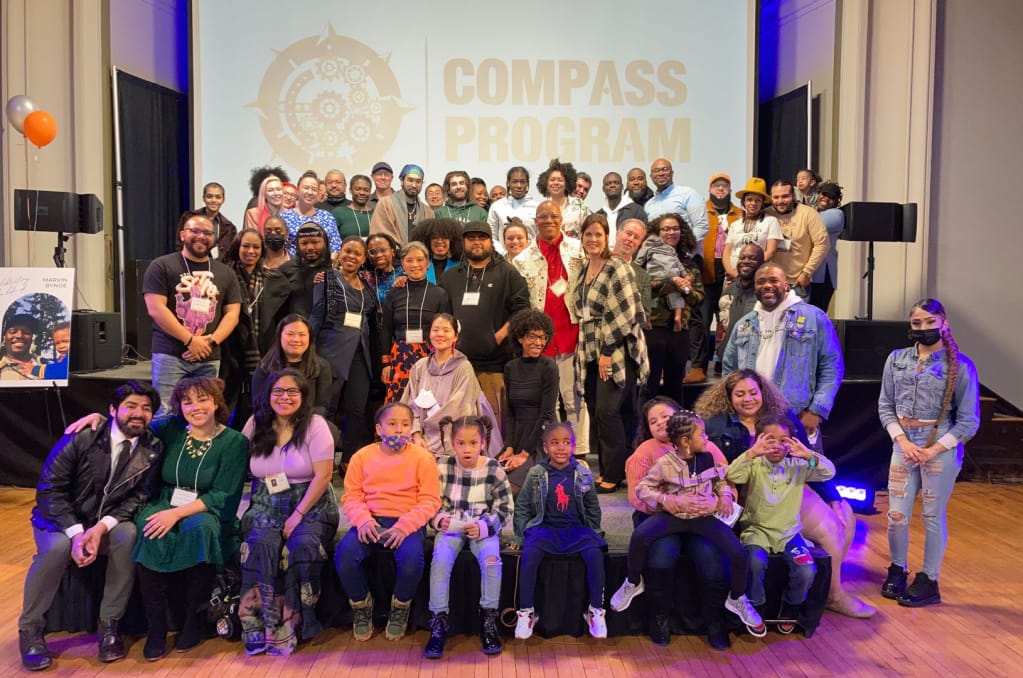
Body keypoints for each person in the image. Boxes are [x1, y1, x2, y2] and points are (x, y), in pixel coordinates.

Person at [695, 368, 875, 618]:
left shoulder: (784, 418)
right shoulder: (715, 424)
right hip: (744, 491)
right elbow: (718, 468)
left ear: (762, 392)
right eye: (740, 394)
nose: (747, 399)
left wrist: (833, 498)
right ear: (729, 396)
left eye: (753, 392)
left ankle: (833, 593)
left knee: (842, 519)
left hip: (786, 485)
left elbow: (808, 459)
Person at [18, 382, 163, 671]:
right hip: (59, 520)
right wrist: (77, 533)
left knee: (129, 534)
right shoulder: (82, 438)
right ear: (112, 410)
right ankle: (30, 630)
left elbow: (138, 497)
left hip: (106, 523)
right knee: (57, 549)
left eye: (146, 409)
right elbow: (49, 490)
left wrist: (99, 529)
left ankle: (109, 625)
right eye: (131, 406)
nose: (139, 414)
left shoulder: (153, 447)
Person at [611, 411, 766, 639]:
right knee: (640, 537)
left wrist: (723, 497)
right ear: (685, 442)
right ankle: (633, 581)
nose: (706, 439)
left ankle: (737, 598)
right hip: (674, 516)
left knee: (737, 553)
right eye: (701, 435)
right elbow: (643, 489)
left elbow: (721, 480)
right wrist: (668, 500)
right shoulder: (665, 463)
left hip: (702, 519)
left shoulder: (707, 457)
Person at [131, 376, 249, 659]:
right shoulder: (171, 429)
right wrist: (98, 417)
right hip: (165, 500)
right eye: (187, 402)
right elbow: (134, 422)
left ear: (216, 402)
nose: (195, 407)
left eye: (202, 399)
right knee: (151, 528)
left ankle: (193, 621)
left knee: (201, 529)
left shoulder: (234, 442)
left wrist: (178, 514)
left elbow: (223, 494)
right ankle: (157, 627)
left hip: (206, 508)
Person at [878, 299, 980, 607]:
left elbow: (968, 420)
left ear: (943, 323)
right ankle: (897, 569)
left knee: (932, 515)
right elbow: (885, 406)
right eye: (916, 323)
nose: (923, 328)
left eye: (929, 322)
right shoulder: (896, 359)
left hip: (940, 448)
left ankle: (929, 579)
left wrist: (933, 449)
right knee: (896, 515)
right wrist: (903, 442)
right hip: (903, 445)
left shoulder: (961, 366)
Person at [239, 369, 338, 656]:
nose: (285, 397)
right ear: (268, 396)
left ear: (303, 396)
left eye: (292, 391)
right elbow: (235, 454)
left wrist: (296, 516)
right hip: (266, 500)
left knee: (303, 546)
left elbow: (323, 476)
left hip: (310, 501)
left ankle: (295, 623)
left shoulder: (315, 425)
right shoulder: (256, 423)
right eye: (278, 391)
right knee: (260, 545)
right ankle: (257, 623)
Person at [622, 397, 733, 648]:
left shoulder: (706, 446)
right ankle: (658, 617)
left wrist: (717, 501)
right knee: (662, 559)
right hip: (660, 519)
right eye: (653, 420)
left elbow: (727, 482)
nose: (661, 422)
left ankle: (715, 621)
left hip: (701, 518)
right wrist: (668, 502)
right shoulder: (646, 452)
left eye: (666, 416)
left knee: (712, 561)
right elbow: (636, 496)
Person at [334, 402, 441, 642]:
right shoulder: (362, 457)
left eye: (405, 425)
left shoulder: (423, 458)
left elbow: (430, 500)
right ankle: (361, 605)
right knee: (345, 555)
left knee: (412, 560)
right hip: (370, 520)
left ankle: (400, 607)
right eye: (392, 424)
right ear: (379, 429)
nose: (399, 430)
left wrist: (405, 526)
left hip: (407, 522)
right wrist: (362, 521)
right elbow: (351, 496)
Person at [727, 414, 836, 634]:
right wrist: (752, 452)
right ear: (759, 440)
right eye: (769, 439)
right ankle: (756, 607)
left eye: (783, 440)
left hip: (789, 534)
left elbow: (827, 471)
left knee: (806, 569)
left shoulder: (799, 465)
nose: (776, 445)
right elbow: (733, 474)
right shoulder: (754, 463)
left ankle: (790, 607)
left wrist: (809, 454)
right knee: (756, 563)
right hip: (756, 531)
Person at [723, 263, 843, 448]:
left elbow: (832, 366)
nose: (767, 285)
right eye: (761, 281)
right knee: (754, 475)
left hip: (797, 415)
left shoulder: (814, 318)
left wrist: (817, 410)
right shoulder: (744, 324)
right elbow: (729, 371)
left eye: (773, 280)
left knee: (806, 473)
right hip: (753, 419)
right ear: (754, 287)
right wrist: (736, 410)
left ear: (786, 285)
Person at [424, 416, 513, 659]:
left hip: (480, 526)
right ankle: (438, 621)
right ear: (453, 443)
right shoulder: (442, 466)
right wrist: (437, 519)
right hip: (451, 526)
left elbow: (505, 507)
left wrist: (485, 527)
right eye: (461, 443)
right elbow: (430, 500)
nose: (467, 449)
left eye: (473, 443)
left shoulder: (493, 468)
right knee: (440, 561)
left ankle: (488, 619)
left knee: (492, 561)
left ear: (482, 443)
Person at [573, 213, 649, 492]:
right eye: (588, 234)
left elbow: (626, 312)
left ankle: (614, 473)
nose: (592, 239)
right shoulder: (584, 270)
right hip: (589, 350)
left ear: (607, 237)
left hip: (616, 350)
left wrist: (607, 350)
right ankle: (610, 469)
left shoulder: (617, 266)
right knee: (596, 409)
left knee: (608, 411)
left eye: (598, 234)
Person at [512, 422, 608, 640]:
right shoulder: (536, 473)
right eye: (555, 443)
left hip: (576, 530)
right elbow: (523, 505)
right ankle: (526, 611)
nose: (561, 448)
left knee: (595, 555)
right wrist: (519, 535)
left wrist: (594, 531)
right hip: (544, 529)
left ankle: (595, 610)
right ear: (546, 448)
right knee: (529, 556)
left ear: (573, 446)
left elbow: (592, 506)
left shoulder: (582, 473)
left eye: (567, 443)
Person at [512, 200, 589, 463]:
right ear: (535, 221)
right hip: (540, 339)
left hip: (572, 332)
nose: (548, 220)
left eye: (553, 216)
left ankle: (579, 451)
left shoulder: (579, 251)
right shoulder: (522, 259)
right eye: (542, 216)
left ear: (561, 219)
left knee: (574, 396)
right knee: (548, 400)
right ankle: (552, 451)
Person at [143, 215, 242, 414]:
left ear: (213, 239)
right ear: (182, 234)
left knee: (205, 413)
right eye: (195, 231)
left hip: (208, 356)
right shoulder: (161, 265)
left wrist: (211, 343)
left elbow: (232, 314)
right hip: (171, 354)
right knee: (164, 412)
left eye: (207, 233)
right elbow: (156, 308)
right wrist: (190, 340)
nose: (201, 236)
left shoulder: (225, 273)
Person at [439, 221, 530, 434]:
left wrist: (499, 336)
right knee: (460, 421)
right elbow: (443, 315)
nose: (477, 242)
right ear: (463, 242)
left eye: (482, 238)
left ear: (491, 241)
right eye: (471, 238)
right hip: (458, 364)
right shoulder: (450, 276)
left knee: (493, 422)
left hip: (495, 363)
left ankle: (495, 463)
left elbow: (522, 310)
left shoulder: (508, 273)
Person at [311, 236, 378, 460]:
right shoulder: (327, 279)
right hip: (331, 350)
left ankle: (349, 460)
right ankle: (323, 459)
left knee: (357, 409)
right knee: (327, 408)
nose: (351, 256)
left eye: (357, 254)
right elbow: (316, 315)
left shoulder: (366, 284)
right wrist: (310, 351)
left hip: (361, 352)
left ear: (363, 259)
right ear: (339, 253)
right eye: (347, 251)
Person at [401, 314, 502, 458]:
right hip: (419, 443)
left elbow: (460, 410)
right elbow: (410, 406)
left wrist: (431, 442)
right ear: (429, 334)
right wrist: (416, 435)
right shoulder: (420, 367)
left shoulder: (463, 367)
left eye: (446, 330)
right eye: (435, 330)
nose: (440, 334)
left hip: (453, 444)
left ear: (455, 337)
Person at [221, 228, 291, 428]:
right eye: (246, 246)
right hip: (229, 349)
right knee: (227, 401)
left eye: (256, 247)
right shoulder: (224, 275)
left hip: (262, 350)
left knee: (258, 403)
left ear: (263, 249)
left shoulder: (274, 280)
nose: (250, 251)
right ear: (237, 247)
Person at [641, 213, 703, 407]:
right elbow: (642, 289)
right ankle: (644, 432)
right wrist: (671, 283)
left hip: (679, 331)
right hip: (652, 328)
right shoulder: (645, 259)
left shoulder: (690, 264)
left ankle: (677, 430)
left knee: (675, 386)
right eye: (665, 229)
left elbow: (698, 298)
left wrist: (685, 289)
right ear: (656, 233)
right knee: (649, 385)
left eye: (675, 228)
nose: (671, 232)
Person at [380, 241, 452, 402]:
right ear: (403, 265)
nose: (415, 265)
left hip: (430, 356)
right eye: (409, 260)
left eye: (420, 260)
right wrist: (386, 363)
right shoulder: (394, 292)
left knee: (428, 404)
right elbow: (385, 329)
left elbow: (446, 329)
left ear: (427, 264)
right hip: (399, 357)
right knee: (399, 404)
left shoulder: (440, 294)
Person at [499, 309, 559, 491]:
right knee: (490, 479)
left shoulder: (549, 367)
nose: (539, 342)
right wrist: (509, 446)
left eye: (543, 337)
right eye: (533, 337)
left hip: (541, 440)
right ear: (520, 338)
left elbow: (547, 416)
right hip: (518, 439)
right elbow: (510, 413)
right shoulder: (511, 367)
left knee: (511, 488)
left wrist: (524, 454)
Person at [695, 173, 743, 380]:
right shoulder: (699, 211)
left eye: (725, 186)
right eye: (717, 186)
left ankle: (725, 364)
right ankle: (699, 366)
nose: (721, 189)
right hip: (705, 272)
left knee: (728, 321)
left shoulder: (739, 213)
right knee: (703, 323)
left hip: (730, 273)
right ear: (709, 189)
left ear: (730, 190)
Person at [253, 315, 332, 416]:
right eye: (290, 334)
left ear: (310, 338)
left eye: (302, 335)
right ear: (279, 336)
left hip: (308, 423)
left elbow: (322, 407)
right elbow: (259, 404)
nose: (296, 339)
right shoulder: (265, 366)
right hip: (272, 423)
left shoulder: (321, 367)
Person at [766, 180, 830, 299]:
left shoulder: (809, 214)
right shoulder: (766, 214)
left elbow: (822, 244)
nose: (780, 201)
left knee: (796, 318)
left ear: (794, 196)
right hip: (770, 282)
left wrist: (807, 272)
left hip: (797, 283)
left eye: (785, 196)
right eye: (776, 197)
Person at [722, 178, 783, 280]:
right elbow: (727, 252)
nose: (753, 203)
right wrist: (731, 272)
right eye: (749, 199)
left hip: (757, 275)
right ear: (744, 202)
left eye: (757, 200)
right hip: (733, 275)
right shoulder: (735, 225)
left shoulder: (771, 221)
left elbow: (770, 252)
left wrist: (749, 273)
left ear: (762, 203)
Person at [635, 221, 689, 333]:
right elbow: (677, 263)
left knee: (649, 297)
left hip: (656, 275)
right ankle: (678, 316)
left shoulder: (647, 246)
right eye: (666, 229)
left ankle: (648, 319)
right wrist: (685, 275)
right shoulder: (669, 249)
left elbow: (639, 261)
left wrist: (634, 266)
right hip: (674, 273)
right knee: (676, 296)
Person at [716, 244, 765, 363]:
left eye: (752, 258)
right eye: (742, 258)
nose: (746, 261)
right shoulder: (729, 291)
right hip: (730, 358)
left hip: (757, 358)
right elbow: (723, 327)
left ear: (762, 263)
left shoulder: (766, 292)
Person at [644, 158, 709, 247]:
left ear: (672, 173)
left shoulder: (688, 194)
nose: (661, 173)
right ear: (651, 176)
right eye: (656, 171)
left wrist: (683, 252)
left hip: (686, 257)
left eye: (665, 169)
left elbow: (701, 226)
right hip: (658, 258)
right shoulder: (649, 205)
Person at [370, 163, 434, 245]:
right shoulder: (385, 204)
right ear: (401, 181)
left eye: (418, 181)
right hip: (393, 255)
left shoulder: (428, 211)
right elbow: (380, 234)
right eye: (410, 180)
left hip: (418, 255)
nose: (414, 185)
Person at [281, 172, 342, 256]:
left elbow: (335, 246)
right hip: (292, 266)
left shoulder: (327, 217)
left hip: (323, 266)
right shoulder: (284, 217)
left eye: (314, 189)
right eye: (306, 188)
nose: (310, 192)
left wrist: (327, 267)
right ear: (297, 191)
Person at [178, 182, 236, 260]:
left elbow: (228, 255)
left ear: (223, 200)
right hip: (189, 263)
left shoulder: (229, 227)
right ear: (204, 198)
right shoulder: (188, 217)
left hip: (216, 267)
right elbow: (179, 244)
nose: (213, 200)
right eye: (209, 196)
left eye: (218, 197)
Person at [535, 158, 591, 239]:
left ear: (567, 183)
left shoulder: (581, 206)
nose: (556, 183)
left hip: (575, 250)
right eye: (552, 180)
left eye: (560, 180)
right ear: (546, 184)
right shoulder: (542, 209)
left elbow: (589, 231)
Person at [810, 182, 844, 313]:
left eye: (831, 197)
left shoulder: (836, 214)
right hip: (812, 273)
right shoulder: (813, 212)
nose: (826, 198)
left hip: (823, 275)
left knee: (817, 314)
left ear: (836, 201)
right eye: (824, 194)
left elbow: (811, 226)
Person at [487, 166, 540, 249]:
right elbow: (491, 235)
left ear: (527, 184)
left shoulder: (537, 207)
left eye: (523, 182)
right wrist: (502, 253)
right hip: (503, 257)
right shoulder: (497, 206)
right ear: (508, 183)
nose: (519, 185)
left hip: (531, 256)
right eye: (515, 182)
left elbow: (539, 235)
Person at [409, 218, 462, 284]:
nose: (439, 241)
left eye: (445, 237)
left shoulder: (461, 266)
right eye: (434, 237)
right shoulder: (419, 266)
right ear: (428, 241)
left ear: (452, 241)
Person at [596, 171, 647, 239]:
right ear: (603, 189)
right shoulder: (598, 215)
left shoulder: (636, 210)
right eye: (608, 184)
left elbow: (644, 236)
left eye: (616, 183)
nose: (612, 185)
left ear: (622, 187)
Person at [0, 312, 47, 380]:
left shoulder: (48, 365)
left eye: (26, 332)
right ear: (4, 338)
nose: (19, 336)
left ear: (31, 338)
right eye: (13, 331)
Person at [364, 233, 405, 308]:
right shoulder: (363, 277)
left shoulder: (405, 272)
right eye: (373, 252)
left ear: (393, 251)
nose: (379, 255)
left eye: (383, 250)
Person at [332, 174, 375, 240]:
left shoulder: (375, 214)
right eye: (357, 189)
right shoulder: (338, 213)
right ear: (350, 190)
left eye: (366, 190)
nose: (362, 193)